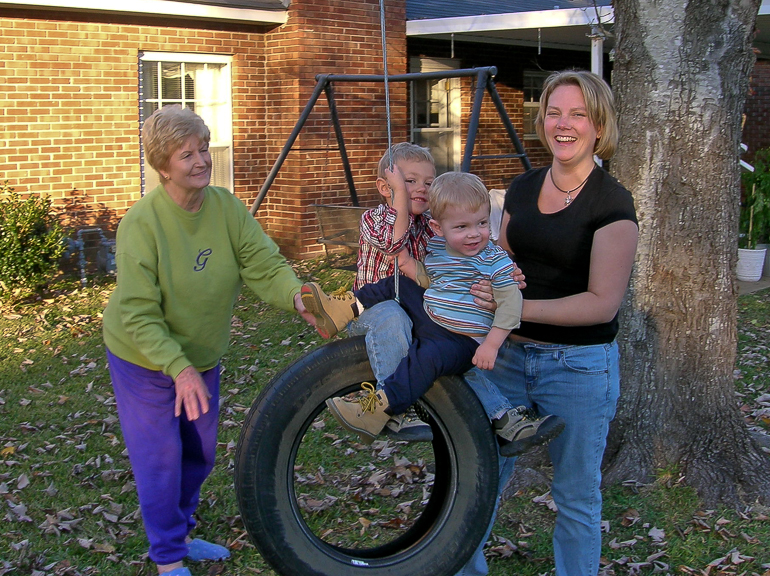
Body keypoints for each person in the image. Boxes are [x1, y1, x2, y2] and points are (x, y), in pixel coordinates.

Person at [102, 105, 315, 576]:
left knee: (198, 450)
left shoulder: (225, 207)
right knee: (161, 458)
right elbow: (138, 311)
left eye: (203, 149)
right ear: (162, 168)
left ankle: (183, 533)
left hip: (201, 355)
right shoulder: (142, 224)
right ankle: (168, 559)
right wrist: (177, 370)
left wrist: (297, 296)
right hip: (144, 359)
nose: (201, 161)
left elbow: (263, 263)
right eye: (186, 155)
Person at [457, 70, 639, 576]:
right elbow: (503, 263)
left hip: (578, 366)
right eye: (554, 112)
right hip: (507, 358)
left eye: (578, 114)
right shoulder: (520, 188)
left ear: (598, 126)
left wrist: (516, 309)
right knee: (481, 477)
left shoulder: (612, 204)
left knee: (576, 495)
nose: (565, 124)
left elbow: (602, 303)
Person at [302, 171, 564, 455]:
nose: (474, 233)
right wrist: (405, 263)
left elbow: (512, 307)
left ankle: (381, 407)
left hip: (462, 341)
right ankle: (343, 309)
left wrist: (492, 344)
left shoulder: (494, 261)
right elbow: (429, 278)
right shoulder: (442, 249)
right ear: (439, 229)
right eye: (462, 226)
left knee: (426, 358)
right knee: (400, 284)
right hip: (434, 319)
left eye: (482, 223)